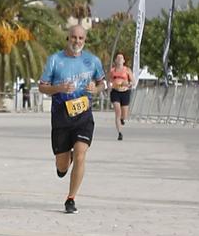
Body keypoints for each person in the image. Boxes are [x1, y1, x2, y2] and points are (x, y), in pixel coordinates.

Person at [39, 24, 105, 214]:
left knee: (80, 154)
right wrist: (58, 88)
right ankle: (64, 162)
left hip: (83, 117)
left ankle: (71, 198)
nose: (77, 41)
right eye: (74, 38)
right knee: (62, 166)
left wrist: (96, 89)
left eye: (81, 38)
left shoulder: (92, 61)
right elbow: (43, 86)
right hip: (61, 117)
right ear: (68, 38)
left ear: (85, 40)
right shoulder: (55, 60)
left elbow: (102, 84)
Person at [106, 52, 134, 140]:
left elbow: (133, 81)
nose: (119, 60)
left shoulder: (127, 70)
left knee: (124, 114)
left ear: (123, 60)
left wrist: (128, 84)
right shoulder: (112, 70)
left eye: (121, 58)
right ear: (115, 60)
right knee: (118, 112)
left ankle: (123, 118)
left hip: (125, 92)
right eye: (117, 58)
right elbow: (108, 80)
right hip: (115, 92)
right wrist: (109, 85)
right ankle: (120, 133)